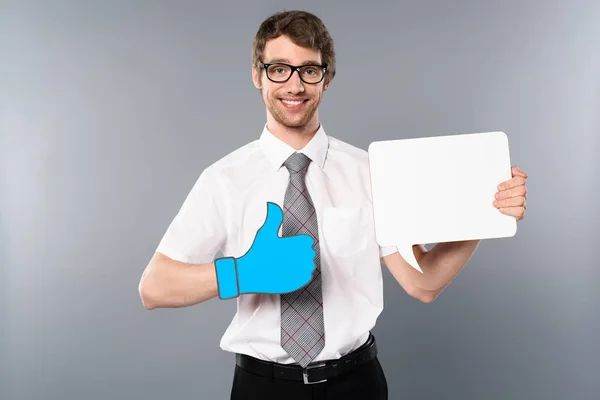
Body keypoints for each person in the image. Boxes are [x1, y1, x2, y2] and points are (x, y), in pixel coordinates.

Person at [138, 10, 528, 400]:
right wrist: (242, 273)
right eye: (279, 69)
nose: (294, 85)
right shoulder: (222, 180)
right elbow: (153, 288)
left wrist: (484, 214)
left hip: (356, 384)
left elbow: (422, 282)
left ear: (327, 79)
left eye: (309, 70)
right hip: (262, 388)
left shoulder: (372, 172)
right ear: (257, 76)